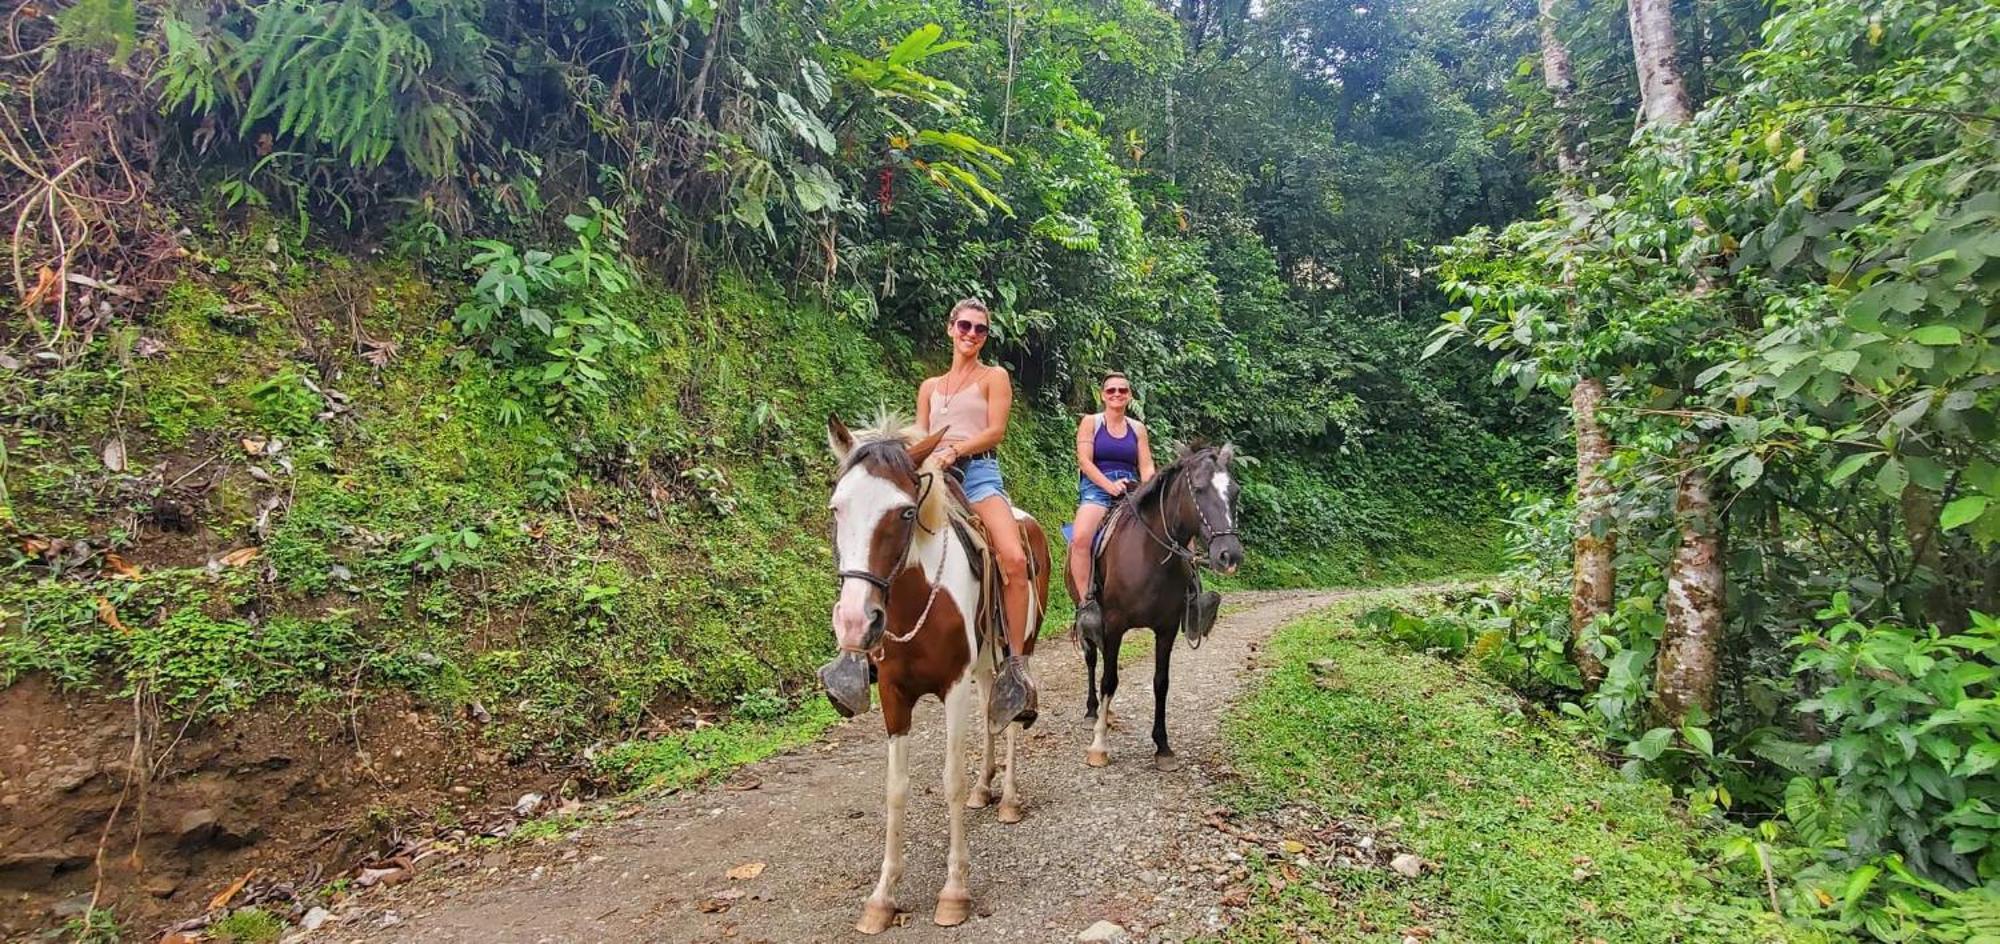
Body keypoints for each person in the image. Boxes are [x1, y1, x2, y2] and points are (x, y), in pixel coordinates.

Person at [913, 298, 1038, 726]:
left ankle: (1016, 666)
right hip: (933, 477)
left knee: (1014, 559)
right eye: (964, 326)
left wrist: (955, 450)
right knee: (886, 538)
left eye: (980, 329)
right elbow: (920, 435)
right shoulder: (930, 386)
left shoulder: (994, 377)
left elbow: (995, 430)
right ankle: (870, 647)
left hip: (979, 475)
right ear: (950, 328)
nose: (971, 334)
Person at [1070, 372, 1154, 641]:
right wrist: (1108, 485)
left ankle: (1190, 597)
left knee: (1169, 525)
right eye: (1111, 391)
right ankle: (1085, 604)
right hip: (1097, 489)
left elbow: (1146, 466)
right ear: (1102, 395)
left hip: (1132, 490)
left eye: (1122, 391)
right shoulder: (1091, 423)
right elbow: (1084, 461)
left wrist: (1149, 488)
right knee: (1081, 537)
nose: (1116, 395)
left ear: (1129, 395)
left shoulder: (1137, 428)